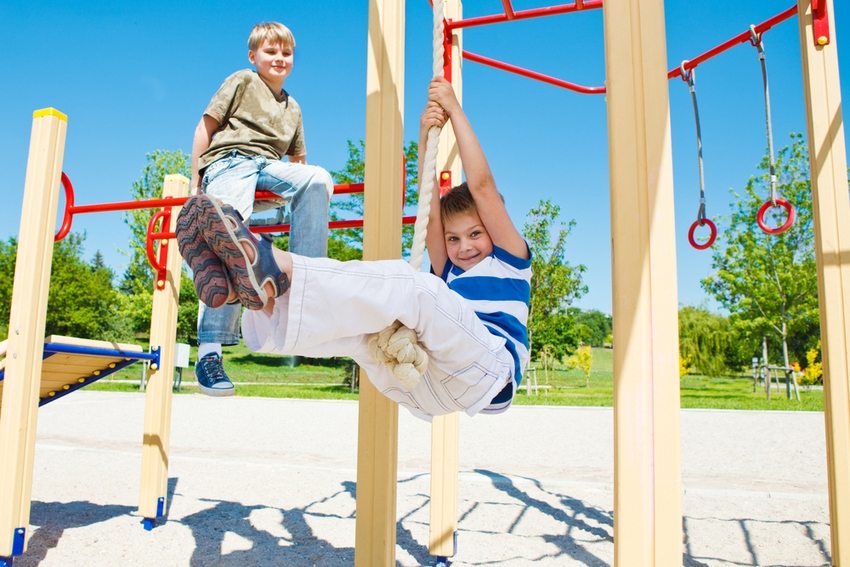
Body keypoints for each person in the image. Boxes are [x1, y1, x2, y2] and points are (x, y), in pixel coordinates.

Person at [177, 77, 530, 420]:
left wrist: (453, 109)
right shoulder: (450, 270)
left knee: (414, 287)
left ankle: (271, 262)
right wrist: (425, 138)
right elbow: (429, 209)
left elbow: (482, 187)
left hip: (490, 371)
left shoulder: (509, 261)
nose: (463, 246)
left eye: (474, 234)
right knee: (361, 327)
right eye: (453, 239)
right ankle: (263, 299)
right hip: (423, 385)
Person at [187, 22, 333, 396]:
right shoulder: (242, 81)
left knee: (318, 179)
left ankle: (301, 288)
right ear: (254, 57)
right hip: (230, 162)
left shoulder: (293, 108)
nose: (279, 58)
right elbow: (205, 128)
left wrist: (284, 192)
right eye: (271, 52)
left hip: (269, 170)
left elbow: (298, 165)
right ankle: (210, 352)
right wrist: (195, 183)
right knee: (229, 233)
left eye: (286, 53)